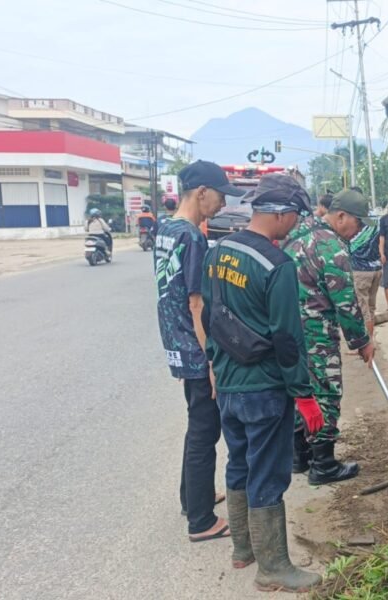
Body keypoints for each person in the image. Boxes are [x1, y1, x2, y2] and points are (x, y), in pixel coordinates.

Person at [202, 175, 323, 593]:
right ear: (281, 214)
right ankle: (273, 567)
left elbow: (209, 317)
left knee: (238, 462)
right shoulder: (278, 265)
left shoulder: (219, 252)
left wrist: (214, 365)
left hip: (230, 387)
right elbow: (288, 338)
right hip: (265, 389)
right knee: (268, 473)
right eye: (295, 217)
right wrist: (304, 395)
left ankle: (243, 548)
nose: (295, 226)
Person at [154, 160, 237, 542]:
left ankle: (194, 497)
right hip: (194, 347)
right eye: (220, 197)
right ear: (202, 192)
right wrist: (211, 361)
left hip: (175, 342)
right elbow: (196, 303)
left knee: (196, 425)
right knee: (206, 431)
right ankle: (201, 521)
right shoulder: (193, 237)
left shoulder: (165, 229)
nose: (222, 205)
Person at [284, 189, 376, 485]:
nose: (358, 231)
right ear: (340, 216)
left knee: (300, 390)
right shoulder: (331, 247)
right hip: (316, 334)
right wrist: (361, 341)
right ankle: (323, 464)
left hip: (287, 332)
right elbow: (346, 304)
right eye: (357, 223)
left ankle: (299, 455)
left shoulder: (297, 232)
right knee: (325, 392)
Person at [348, 204, 382, 339]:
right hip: (376, 269)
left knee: (363, 309)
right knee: (371, 307)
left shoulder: (354, 225)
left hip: (360, 270)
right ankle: (370, 339)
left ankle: (366, 342)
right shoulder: (375, 222)